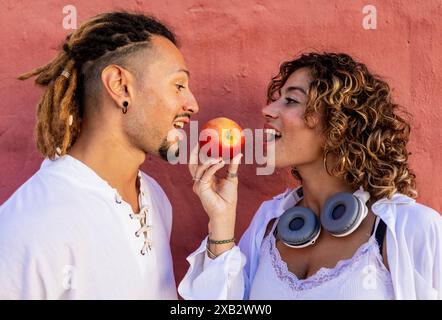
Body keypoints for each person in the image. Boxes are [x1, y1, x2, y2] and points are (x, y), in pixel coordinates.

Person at [178, 52, 442, 300]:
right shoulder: (268, 223)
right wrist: (221, 222)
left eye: (291, 100)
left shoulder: (411, 229)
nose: (268, 111)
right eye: (277, 98)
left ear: (339, 123)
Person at [0, 12, 198, 299]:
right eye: (179, 85)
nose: (192, 104)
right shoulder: (27, 227)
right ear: (120, 85)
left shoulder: (154, 198)